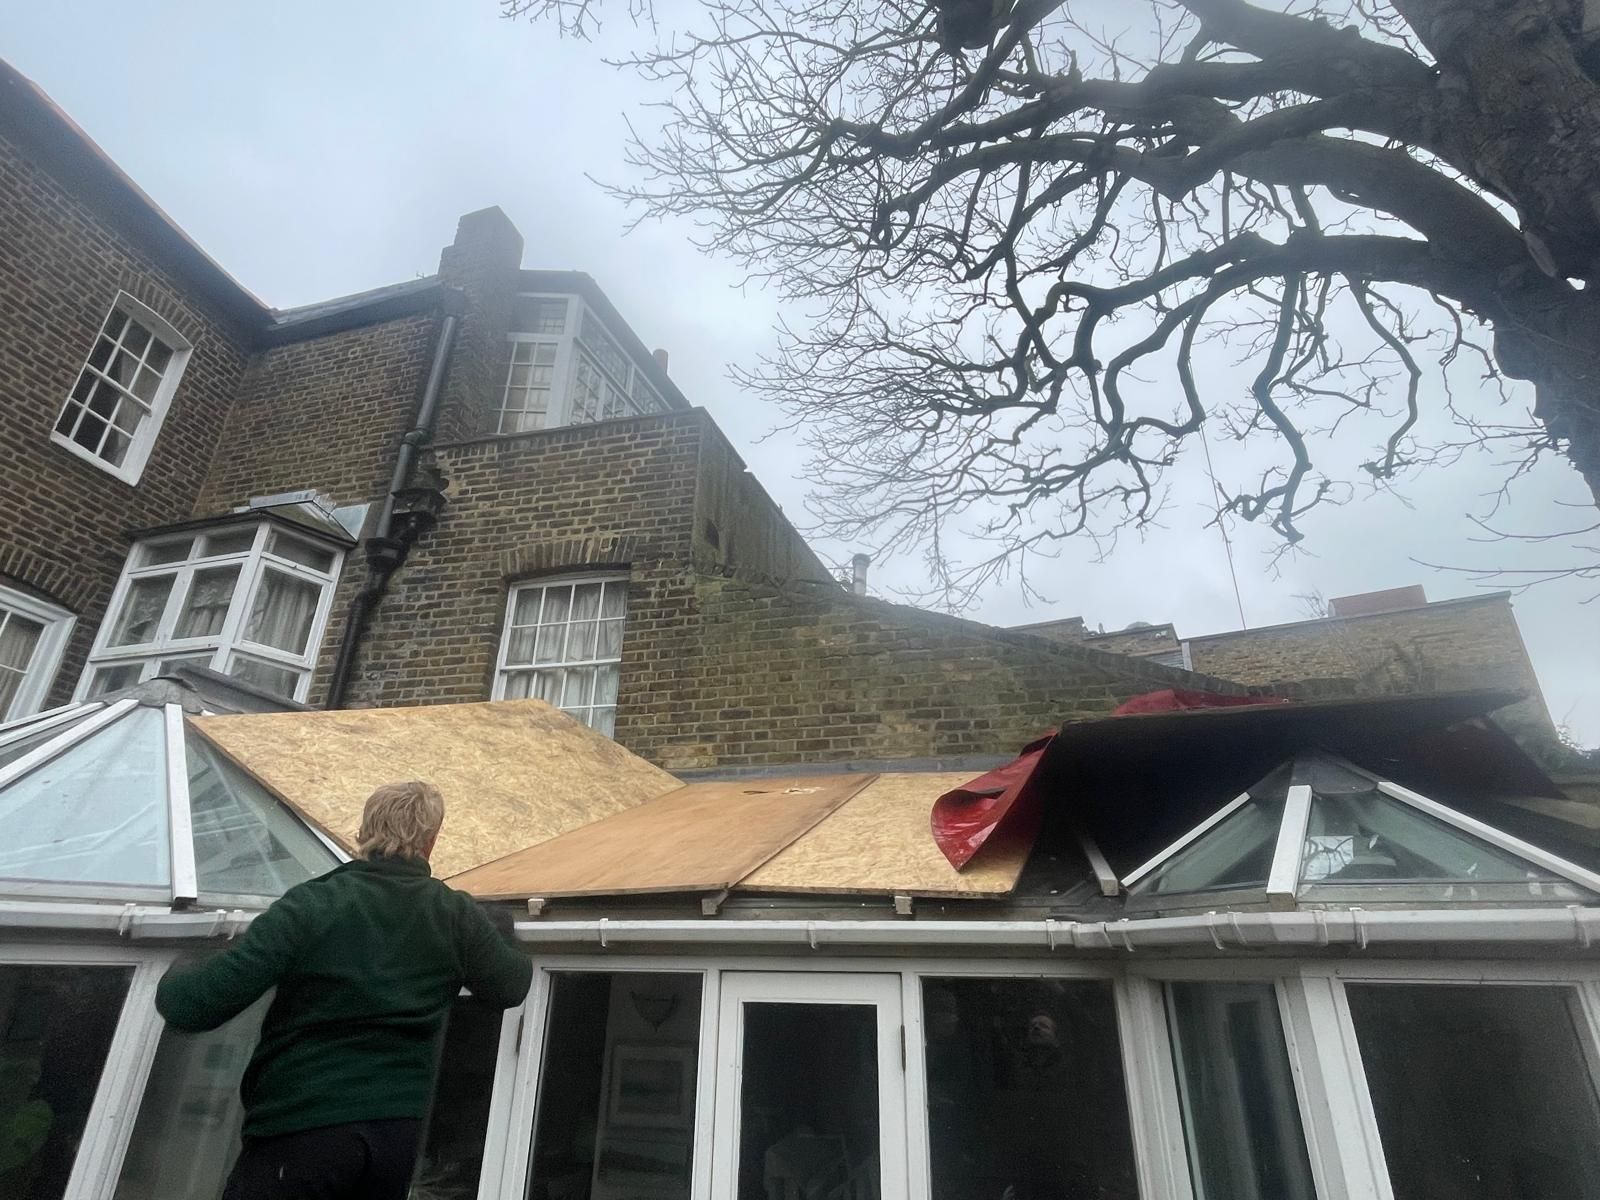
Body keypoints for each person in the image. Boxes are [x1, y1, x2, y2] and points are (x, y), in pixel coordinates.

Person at [155, 780, 533, 1200]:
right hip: (392, 1141)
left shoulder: (312, 906)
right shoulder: (454, 915)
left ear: (363, 831)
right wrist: (501, 932)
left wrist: (178, 968)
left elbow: (193, 1006)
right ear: (431, 841)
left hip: (301, 1132)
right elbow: (511, 985)